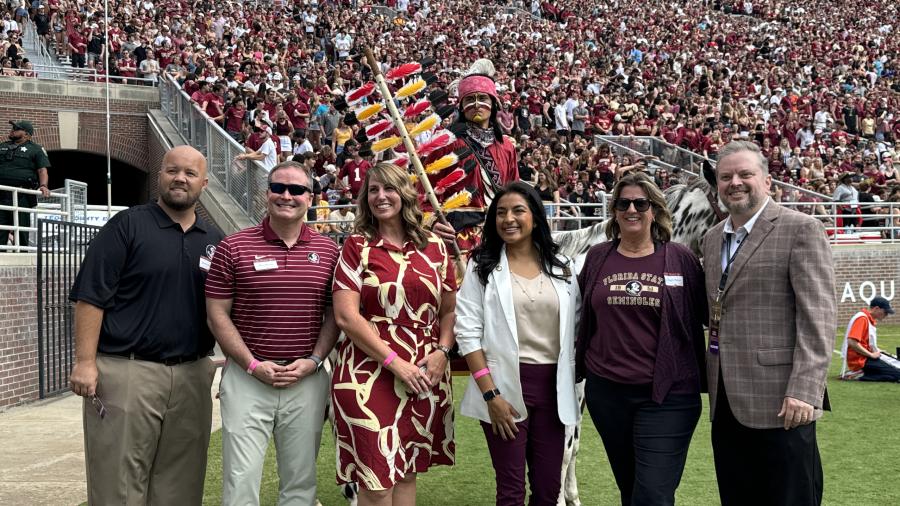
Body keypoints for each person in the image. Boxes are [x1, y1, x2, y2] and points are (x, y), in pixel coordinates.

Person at [68, 145, 223, 504]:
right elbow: (91, 296)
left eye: (190, 173)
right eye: (172, 171)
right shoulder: (127, 225)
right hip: (127, 370)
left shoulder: (214, 242)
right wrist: (85, 362)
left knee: (180, 486)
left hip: (192, 373)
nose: (180, 179)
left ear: (204, 183)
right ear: (160, 175)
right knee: (118, 484)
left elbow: (225, 310)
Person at [702, 141, 835, 506]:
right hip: (726, 400)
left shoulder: (800, 229)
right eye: (725, 176)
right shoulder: (712, 240)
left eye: (746, 174)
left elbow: (819, 318)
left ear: (768, 181)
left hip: (783, 402)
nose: (735, 183)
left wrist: (805, 390)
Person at [205, 160, 339, 505]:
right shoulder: (233, 246)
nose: (286, 196)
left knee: (300, 483)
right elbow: (217, 314)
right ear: (266, 194)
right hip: (249, 378)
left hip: (305, 380)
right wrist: (251, 365)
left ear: (311, 197)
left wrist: (314, 360)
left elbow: (334, 315)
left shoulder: (329, 251)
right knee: (240, 481)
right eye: (278, 187)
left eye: (296, 190)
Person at [575, 171, 707, 506]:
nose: (631, 209)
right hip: (608, 394)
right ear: (614, 210)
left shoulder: (681, 259)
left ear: (655, 210)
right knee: (631, 489)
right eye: (623, 203)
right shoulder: (597, 257)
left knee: (653, 495)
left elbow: (708, 315)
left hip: (668, 395)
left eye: (640, 202)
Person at [331, 162, 457, 506]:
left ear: (405, 193)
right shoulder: (357, 246)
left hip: (425, 372)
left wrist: (442, 352)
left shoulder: (435, 246)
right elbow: (345, 316)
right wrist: (395, 363)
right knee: (376, 483)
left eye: (388, 188)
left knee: (406, 471)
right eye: (373, 190)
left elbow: (448, 311)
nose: (381, 196)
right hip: (368, 373)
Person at [455, 182, 580, 505]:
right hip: (502, 389)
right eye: (500, 212)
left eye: (518, 210)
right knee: (510, 491)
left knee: (547, 489)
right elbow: (467, 332)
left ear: (536, 218)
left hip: (554, 391)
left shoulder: (563, 267)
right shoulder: (481, 266)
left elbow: (578, 326)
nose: (508, 219)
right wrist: (491, 395)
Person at [429, 59, 519, 257]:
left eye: (482, 98)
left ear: (493, 104)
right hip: (457, 237)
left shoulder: (506, 146)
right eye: (470, 99)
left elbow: (515, 190)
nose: (476, 104)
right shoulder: (446, 143)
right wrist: (432, 222)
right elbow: (424, 190)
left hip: (499, 235)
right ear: (461, 107)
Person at [0, 120, 50, 249]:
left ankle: (22, 252)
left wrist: (43, 185)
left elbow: (42, 170)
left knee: (21, 228)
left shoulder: (36, 149)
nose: (12, 130)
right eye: (13, 128)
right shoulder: (2, 146)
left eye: (17, 128)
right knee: (0, 227)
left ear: (27, 134)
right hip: (1, 194)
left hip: (22, 195)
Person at [841, 297, 900, 382]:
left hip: (865, 358)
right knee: (897, 374)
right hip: (860, 360)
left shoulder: (867, 319)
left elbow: (865, 343)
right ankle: (859, 374)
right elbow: (852, 342)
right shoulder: (862, 319)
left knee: (895, 367)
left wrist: (878, 351)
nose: (886, 315)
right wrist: (871, 355)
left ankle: (863, 373)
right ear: (876, 308)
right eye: (885, 312)